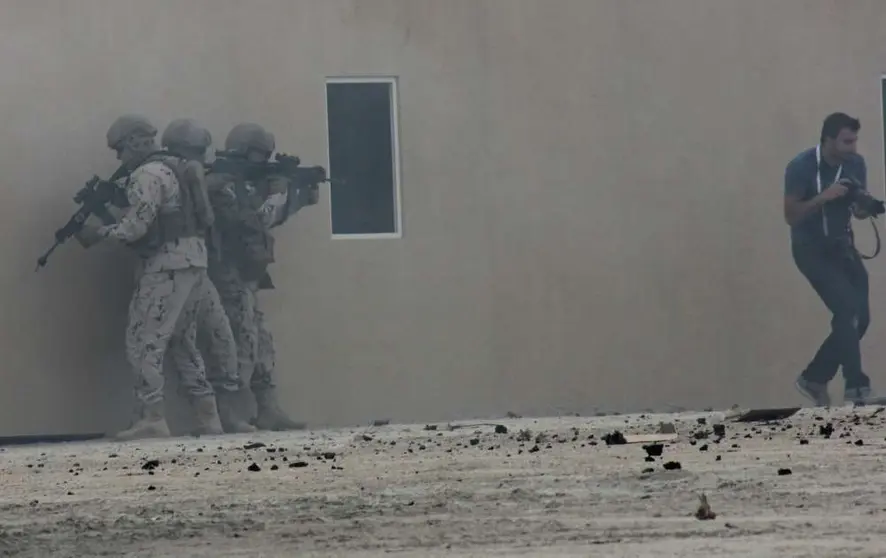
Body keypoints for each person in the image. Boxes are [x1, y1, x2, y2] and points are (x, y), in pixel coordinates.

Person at [76, 114, 226, 440]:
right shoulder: (176, 167)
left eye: (119, 149)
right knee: (183, 342)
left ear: (133, 142)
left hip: (166, 266)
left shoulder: (147, 174)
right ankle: (208, 417)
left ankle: (152, 417)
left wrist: (98, 232)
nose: (118, 157)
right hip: (194, 263)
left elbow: (135, 228)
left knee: (143, 340)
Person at [205, 122, 318, 431]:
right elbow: (250, 222)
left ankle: (268, 408)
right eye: (259, 155)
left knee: (261, 343)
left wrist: (297, 196)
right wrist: (281, 195)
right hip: (229, 273)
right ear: (243, 151)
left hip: (246, 275)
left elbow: (265, 219)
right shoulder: (222, 182)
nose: (264, 161)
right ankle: (229, 413)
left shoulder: (246, 183)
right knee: (239, 341)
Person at [160, 118, 257, 434]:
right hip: (182, 268)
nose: (203, 157)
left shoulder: (202, 176)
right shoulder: (170, 175)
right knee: (183, 339)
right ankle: (207, 416)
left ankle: (227, 413)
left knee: (222, 338)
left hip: (204, 267)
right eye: (198, 150)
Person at [784, 112, 877, 406]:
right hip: (811, 250)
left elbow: (857, 208)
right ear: (828, 140)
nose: (852, 146)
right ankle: (855, 386)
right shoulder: (801, 166)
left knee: (860, 317)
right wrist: (825, 196)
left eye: (855, 140)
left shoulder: (856, 164)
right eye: (847, 141)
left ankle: (815, 377)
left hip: (842, 249)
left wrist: (865, 207)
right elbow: (791, 215)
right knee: (847, 307)